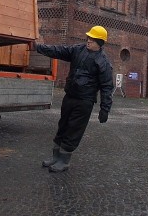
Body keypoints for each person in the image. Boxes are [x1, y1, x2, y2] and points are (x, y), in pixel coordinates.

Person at [33, 25, 113, 172]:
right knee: (62, 126)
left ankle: (64, 161)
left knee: (73, 130)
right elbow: (59, 50)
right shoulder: (78, 50)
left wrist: (105, 109)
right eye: (88, 38)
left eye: (92, 39)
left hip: (84, 102)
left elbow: (107, 87)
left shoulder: (103, 62)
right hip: (70, 96)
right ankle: (55, 157)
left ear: (100, 43)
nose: (88, 40)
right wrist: (39, 48)